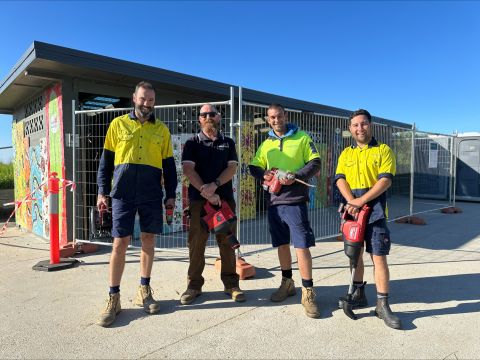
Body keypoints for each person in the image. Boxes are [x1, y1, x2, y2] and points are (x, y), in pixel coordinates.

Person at [96, 81, 177, 327]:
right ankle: (114, 297)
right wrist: (102, 192)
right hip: (122, 193)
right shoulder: (117, 124)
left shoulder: (162, 130)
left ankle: (144, 289)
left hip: (152, 193)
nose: (146, 103)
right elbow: (106, 162)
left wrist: (170, 194)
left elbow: (170, 167)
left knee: (148, 240)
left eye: (151, 100)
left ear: (154, 102)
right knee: (119, 243)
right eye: (143, 98)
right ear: (134, 98)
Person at [249, 103, 321, 318]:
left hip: (295, 201)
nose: (276, 120)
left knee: (301, 246)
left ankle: (308, 291)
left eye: (279, 116)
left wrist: (296, 175)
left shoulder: (302, 137)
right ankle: (287, 282)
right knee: (281, 245)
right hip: (273, 201)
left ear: (285, 116)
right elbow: (254, 166)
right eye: (271, 117)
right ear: (268, 119)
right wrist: (264, 176)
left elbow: (315, 163)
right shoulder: (266, 143)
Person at [334, 108, 402, 329]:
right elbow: (340, 179)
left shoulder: (383, 150)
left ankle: (382, 304)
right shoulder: (346, 153)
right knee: (354, 256)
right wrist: (351, 201)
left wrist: (360, 201)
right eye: (355, 125)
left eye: (363, 124)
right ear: (350, 128)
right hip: (351, 212)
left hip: (375, 213)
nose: (359, 128)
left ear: (370, 125)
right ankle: (358, 293)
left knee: (378, 257)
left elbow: (385, 181)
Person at [180, 103, 245, 304]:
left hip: (224, 201)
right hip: (199, 202)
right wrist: (206, 192)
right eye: (204, 114)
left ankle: (231, 284)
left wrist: (214, 186)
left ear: (218, 117)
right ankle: (193, 286)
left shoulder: (229, 143)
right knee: (196, 244)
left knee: (227, 243)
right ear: (199, 119)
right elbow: (189, 170)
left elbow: (232, 169)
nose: (208, 117)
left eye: (212, 113)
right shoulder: (192, 143)